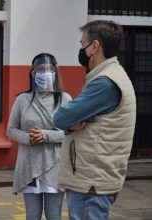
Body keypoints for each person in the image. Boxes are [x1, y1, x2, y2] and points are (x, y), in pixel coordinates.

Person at [53, 20, 136, 220]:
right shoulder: (114, 75)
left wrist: (69, 124)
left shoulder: (104, 83)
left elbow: (61, 117)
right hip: (97, 177)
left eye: (82, 45)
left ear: (95, 46)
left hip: (91, 180)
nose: (81, 50)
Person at [7, 53, 72, 220]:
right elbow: (11, 130)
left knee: (54, 214)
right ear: (34, 73)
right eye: (41, 69)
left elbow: (70, 134)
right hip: (29, 165)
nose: (45, 73)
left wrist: (45, 135)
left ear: (56, 73)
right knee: (32, 215)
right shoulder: (23, 99)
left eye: (50, 69)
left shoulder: (65, 99)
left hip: (55, 164)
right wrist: (29, 138)